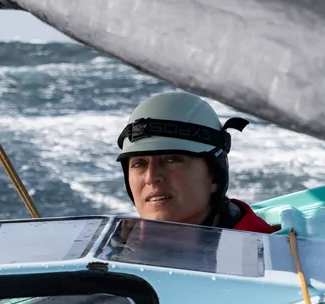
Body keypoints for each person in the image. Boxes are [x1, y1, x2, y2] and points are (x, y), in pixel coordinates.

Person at [116, 92, 275, 233]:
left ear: (214, 177)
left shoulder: (263, 259)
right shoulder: (119, 249)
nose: (151, 177)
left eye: (171, 160)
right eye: (139, 164)